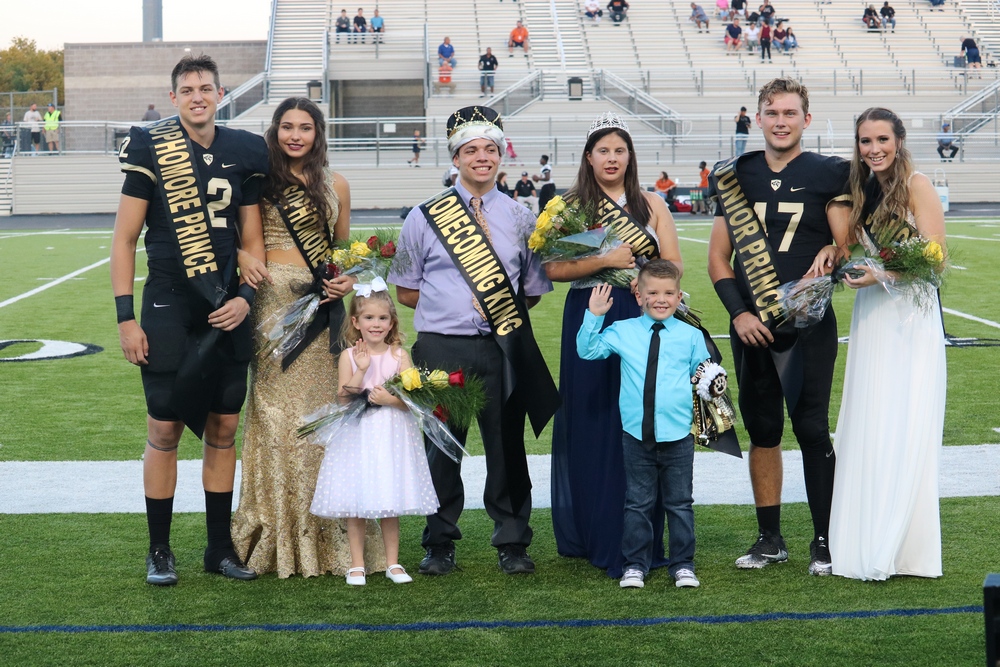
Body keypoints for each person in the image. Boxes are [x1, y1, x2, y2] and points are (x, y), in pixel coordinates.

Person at [110, 54, 269, 585]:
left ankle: (218, 549)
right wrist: (125, 320)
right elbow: (125, 239)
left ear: (220, 93)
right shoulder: (152, 145)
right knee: (164, 427)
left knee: (224, 426)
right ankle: (160, 549)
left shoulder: (246, 149)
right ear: (173, 97)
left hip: (226, 301)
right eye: (187, 88)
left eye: (206, 87)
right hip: (168, 304)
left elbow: (252, 242)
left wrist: (247, 296)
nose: (197, 95)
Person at [389, 105, 559, 577]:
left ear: (500, 156)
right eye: (471, 150)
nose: (481, 157)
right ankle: (439, 542)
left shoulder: (524, 217)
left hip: (502, 347)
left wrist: (497, 310)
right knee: (441, 447)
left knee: (507, 447)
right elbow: (405, 288)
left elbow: (531, 291)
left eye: (490, 149)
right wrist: (455, 305)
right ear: (456, 158)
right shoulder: (424, 216)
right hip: (442, 346)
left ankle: (512, 541)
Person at [228, 97, 384, 579]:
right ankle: (278, 533)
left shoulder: (336, 184)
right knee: (276, 415)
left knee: (327, 415)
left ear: (319, 134)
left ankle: (333, 539)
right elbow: (249, 247)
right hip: (275, 305)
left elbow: (342, 253)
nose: (296, 135)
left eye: (306, 128)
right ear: (275, 132)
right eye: (287, 127)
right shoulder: (259, 184)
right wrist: (240, 260)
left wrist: (347, 280)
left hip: (324, 309)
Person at [707, 77, 851, 576]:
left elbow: (846, 245)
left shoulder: (831, 172)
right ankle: (770, 538)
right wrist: (739, 313)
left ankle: (824, 539)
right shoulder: (736, 174)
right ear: (759, 119)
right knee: (763, 431)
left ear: (806, 120)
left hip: (806, 325)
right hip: (752, 326)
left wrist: (838, 248)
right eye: (773, 113)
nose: (781, 121)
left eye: (790, 113)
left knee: (811, 429)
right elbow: (718, 259)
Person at [549, 112, 683, 579]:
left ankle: (640, 537)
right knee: (593, 418)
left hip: (641, 316)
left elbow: (673, 265)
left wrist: (644, 283)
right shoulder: (568, 206)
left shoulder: (650, 205)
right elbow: (553, 270)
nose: (612, 158)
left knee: (637, 420)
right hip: (591, 313)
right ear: (589, 157)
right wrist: (602, 261)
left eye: (619, 150)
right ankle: (595, 531)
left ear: (630, 157)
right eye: (603, 150)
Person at [828, 107, 946, 581]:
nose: (873, 149)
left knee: (906, 420)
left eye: (881, 139)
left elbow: (934, 261)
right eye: (864, 141)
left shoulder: (916, 183)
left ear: (898, 139)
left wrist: (881, 273)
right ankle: (867, 536)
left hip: (910, 317)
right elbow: (848, 242)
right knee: (871, 418)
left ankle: (904, 547)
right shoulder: (860, 189)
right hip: (873, 314)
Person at [577, 261, 709, 589]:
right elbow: (587, 351)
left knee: (679, 503)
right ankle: (635, 563)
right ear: (639, 296)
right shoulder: (622, 331)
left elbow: (704, 373)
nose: (660, 299)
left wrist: (710, 377)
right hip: (635, 434)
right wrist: (594, 315)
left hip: (678, 435)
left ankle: (682, 564)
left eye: (668, 293)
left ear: (679, 297)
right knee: (637, 502)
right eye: (652, 292)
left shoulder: (691, 336)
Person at [310, 285, 439, 586]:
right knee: (358, 498)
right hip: (359, 435)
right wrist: (362, 369)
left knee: (388, 497)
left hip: (391, 434)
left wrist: (389, 400)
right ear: (356, 322)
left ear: (392, 322)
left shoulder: (399, 355)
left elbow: (412, 401)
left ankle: (393, 562)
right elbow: (344, 396)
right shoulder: (349, 356)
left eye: (383, 318)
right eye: (369, 317)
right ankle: (357, 564)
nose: (376, 324)